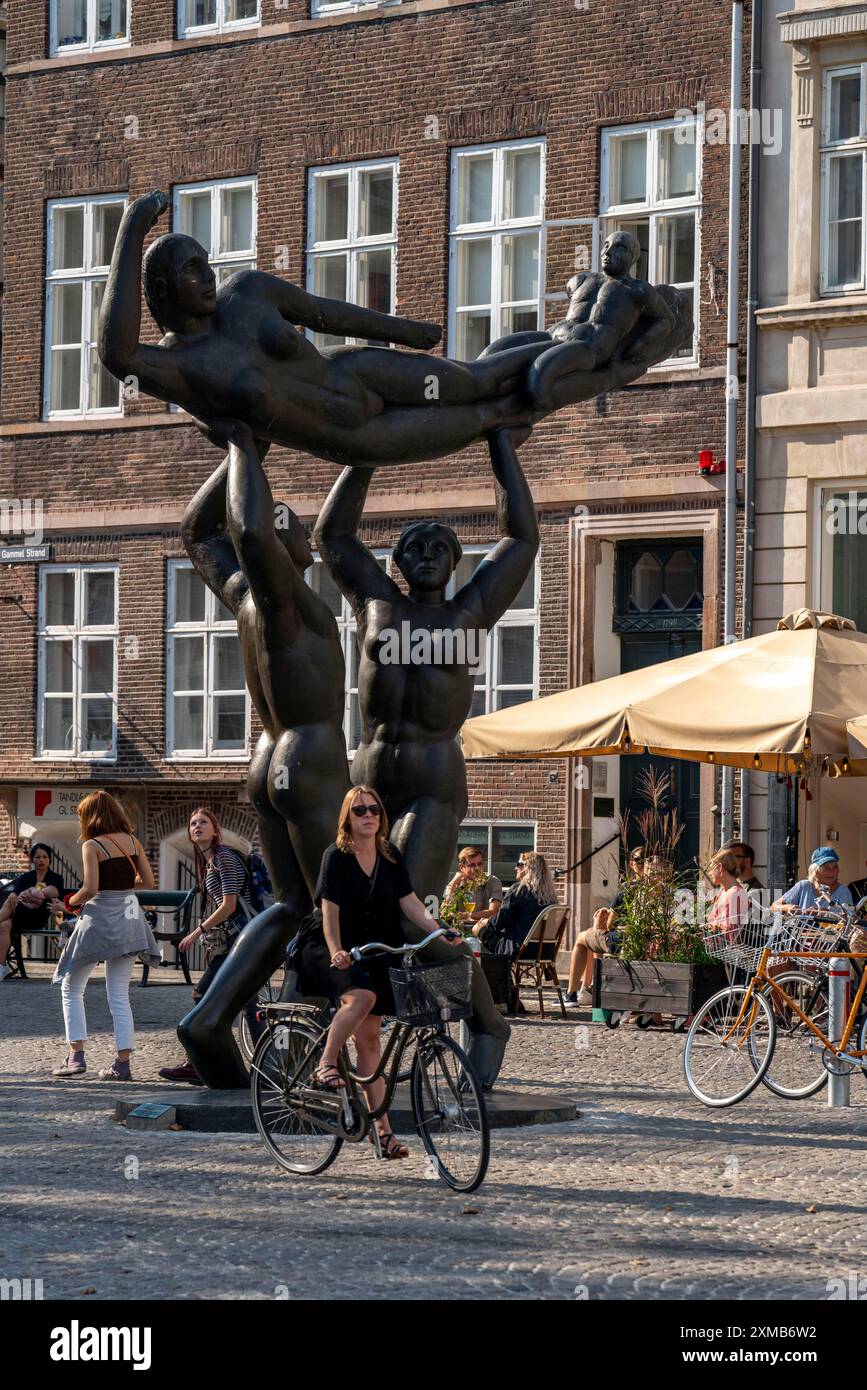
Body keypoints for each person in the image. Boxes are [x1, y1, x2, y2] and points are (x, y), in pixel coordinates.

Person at [98, 193, 690, 471]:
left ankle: (578, 343)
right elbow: (115, 354)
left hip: (357, 371)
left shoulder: (247, 294)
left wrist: (405, 332)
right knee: (499, 412)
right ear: (160, 291)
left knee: (476, 375)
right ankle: (617, 365)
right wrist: (129, 230)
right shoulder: (179, 367)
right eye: (191, 269)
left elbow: (328, 313)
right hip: (360, 435)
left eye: (206, 261)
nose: (208, 276)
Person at [177, 418, 350, 1086]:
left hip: (265, 757)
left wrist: (237, 450)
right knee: (321, 908)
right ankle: (302, 1054)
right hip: (309, 760)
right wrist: (248, 445)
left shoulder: (246, 596)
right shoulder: (284, 599)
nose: (307, 535)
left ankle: (207, 1021)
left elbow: (196, 535)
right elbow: (244, 531)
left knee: (284, 905)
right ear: (284, 547)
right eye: (295, 527)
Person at [295, 785, 461, 1160]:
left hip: (377, 950)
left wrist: (437, 930)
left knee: (370, 1040)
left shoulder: (389, 855)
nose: (368, 815)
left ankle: (383, 1134)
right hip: (331, 946)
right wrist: (336, 950)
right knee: (362, 997)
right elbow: (329, 911)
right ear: (348, 819)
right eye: (359, 811)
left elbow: (410, 902)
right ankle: (325, 1063)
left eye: (374, 809)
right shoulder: (335, 857)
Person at [52, 792, 158, 1080]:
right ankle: (122, 1065)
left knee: (72, 987)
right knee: (119, 994)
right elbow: (147, 882)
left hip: (101, 919)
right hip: (129, 917)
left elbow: (91, 888)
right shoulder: (133, 842)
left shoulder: (92, 845)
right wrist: (124, 882)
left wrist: (71, 900)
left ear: (90, 817)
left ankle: (76, 1056)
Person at [160, 808, 259, 1085]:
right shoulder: (210, 860)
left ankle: (199, 1063)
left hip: (239, 939)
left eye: (203, 822)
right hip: (236, 941)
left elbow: (229, 905)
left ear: (215, 830)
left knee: (203, 994)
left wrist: (196, 932)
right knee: (248, 1002)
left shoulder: (223, 858)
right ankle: (265, 1065)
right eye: (193, 824)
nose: (197, 827)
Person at [564, 847, 646, 1008]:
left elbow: (611, 924)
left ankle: (574, 993)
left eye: (644, 859)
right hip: (645, 940)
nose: (642, 863)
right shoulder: (662, 888)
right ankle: (589, 987)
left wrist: (610, 918)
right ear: (631, 864)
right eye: (639, 860)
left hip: (626, 941)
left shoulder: (628, 888)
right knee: (595, 931)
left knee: (583, 937)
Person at [0, 843, 64, 981]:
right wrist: (16, 895)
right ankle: (1, 966)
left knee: (24, 900)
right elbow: (15, 895)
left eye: (45, 857)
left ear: (49, 859)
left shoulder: (55, 878)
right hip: (18, 914)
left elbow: (51, 893)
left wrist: (31, 894)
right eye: (38, 857)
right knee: (4, 925)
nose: (41, 860)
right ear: (32, 860)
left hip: (37, 917)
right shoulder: (25, 877)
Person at [477, 852, 557, 958]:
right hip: (545, 951)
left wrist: (484, 922)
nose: (515, 868)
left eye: (519, 865)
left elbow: (497, 924)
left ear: (529, 868)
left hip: (519, 950)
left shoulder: (519, 890)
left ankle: (491, 972)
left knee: (478, 929)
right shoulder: (551, 897)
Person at [770, 846, 853, 914]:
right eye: (826, 868)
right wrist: (788, 907)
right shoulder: (803, 886)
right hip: (801, 933)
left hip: (831, 934)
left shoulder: (843, 892)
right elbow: (773, 906)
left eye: (834, 867)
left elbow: (850, 920)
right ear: (815, 871)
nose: (831, 871)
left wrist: (826, 914)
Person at [443, 846, 503, 929]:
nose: (477, 868)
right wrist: (453, 884)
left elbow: (494, 911)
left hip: (484, 930)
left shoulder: (492, 881)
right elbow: (445, 912)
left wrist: (468, 915)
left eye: (480, 864)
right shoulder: (456, 883)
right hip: (459, 931)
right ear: (461, 867)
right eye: (472, 865)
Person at [704, 849, 751, 937]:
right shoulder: (723, 891)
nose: (710, 873)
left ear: (720, 867)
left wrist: (710, 927)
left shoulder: (735, 893)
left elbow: (730, 931)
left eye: (711, 868)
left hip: (726, 949)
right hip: (716, 946)